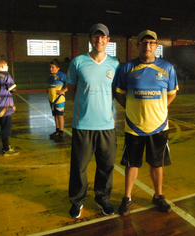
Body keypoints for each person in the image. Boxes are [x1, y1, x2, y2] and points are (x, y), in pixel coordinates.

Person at [115, 30, 178, 216]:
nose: (147, 45)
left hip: (158, 126)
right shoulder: (127, 68)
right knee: (131, 163)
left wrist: (160, 108)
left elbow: (172, 92)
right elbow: (118, 92)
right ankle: (127, 198)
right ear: (138, 45)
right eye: (144, 42)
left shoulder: (167, 68)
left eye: (151, 42)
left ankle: (158, 196)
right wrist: (130, 108)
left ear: (156, 46)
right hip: (134, 126)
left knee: (157, 164)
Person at [66, 23, 120, 218]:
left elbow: (115, 91)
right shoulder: (78, 62)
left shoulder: (114, 64)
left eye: (102, 37)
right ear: (90, 40)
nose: (99, 40)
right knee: (79, 167)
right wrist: (86, 106)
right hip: (83, 124)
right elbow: (72, 90)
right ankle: (77, 201)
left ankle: (102, 198)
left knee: (106, 165)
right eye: (95, 37)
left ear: (108, 40)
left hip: (107, 125)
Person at [0, 59, 19, 156]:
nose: (7, 67)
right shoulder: (6, 74)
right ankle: (6, 149)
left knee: (3, 125)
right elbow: (12, 89)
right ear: (3, 66)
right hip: (5, 105)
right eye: (7, 65)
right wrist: (15, 88)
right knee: (6, 127)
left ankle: (5, 146)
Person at [47, 58, 68, 142]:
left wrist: (62, 90)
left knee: (60, 115)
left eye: (52, 67)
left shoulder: (61, 75)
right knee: (55, 115)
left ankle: (61, 133)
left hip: (59, 99)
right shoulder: (50, 75)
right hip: (52, 99)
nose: (51, 69)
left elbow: (69, 84)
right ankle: (57, 130)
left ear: (58, 68)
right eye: (50, 67)